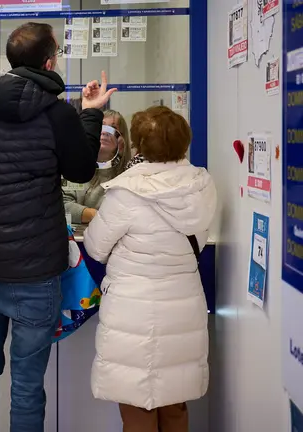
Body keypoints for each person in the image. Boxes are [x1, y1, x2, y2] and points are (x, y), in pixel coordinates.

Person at [0, 22, 115, 431]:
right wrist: (92, 115)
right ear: (50, 61)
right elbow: (79, 169)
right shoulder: (56, 113)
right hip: (37, 273)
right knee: (26, 383)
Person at [83, 106, 216, 432]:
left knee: (138, 408)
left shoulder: (127, 193)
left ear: (138, 145)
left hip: (133, 314)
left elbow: (96, 247)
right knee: (175, 405)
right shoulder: (202, 186)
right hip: (184, 309)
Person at [64, 109, 131, 224]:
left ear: (121, 140)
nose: (105, 132)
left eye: (113, 128)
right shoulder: (74, 166)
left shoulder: (129, 174)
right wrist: (94, 215)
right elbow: (62, 206)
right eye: (101, 125)